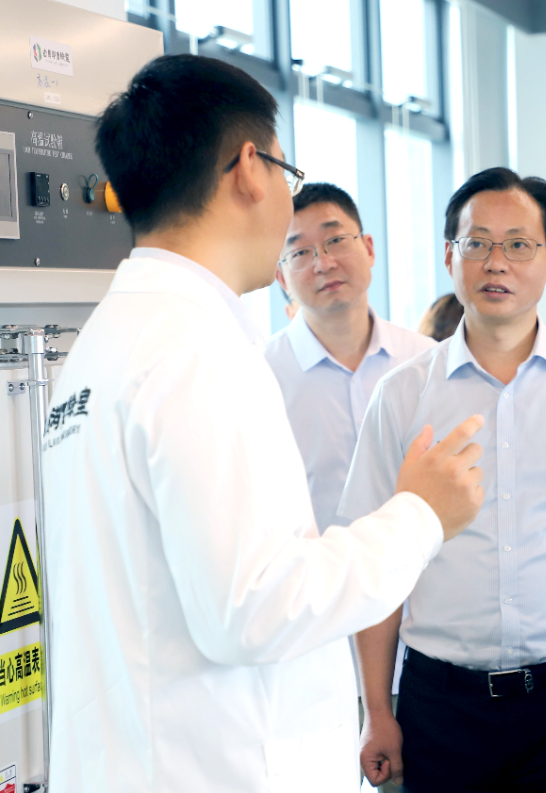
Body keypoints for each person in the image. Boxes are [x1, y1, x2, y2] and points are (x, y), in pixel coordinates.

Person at [39, 55, 485, 793]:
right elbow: (255, 607)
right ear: (251, 168)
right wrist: (420, 515)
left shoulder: (108, 340)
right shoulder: (197, 350)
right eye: (287, 172)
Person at [342, 167, 546, 792]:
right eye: (477, 243)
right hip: (441, 705)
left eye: (519, 244)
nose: (497, 262)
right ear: (450, 256)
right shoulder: (403, 396)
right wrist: (377, 712)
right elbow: (376, 567)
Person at [265, 182, 435, 533]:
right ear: (281, 278)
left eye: (336, 240)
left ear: (369, 249)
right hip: (314, 568)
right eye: (300, 253)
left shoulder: (426, 360)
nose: (323, 263)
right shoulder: (260, 375)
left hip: (422, 566)